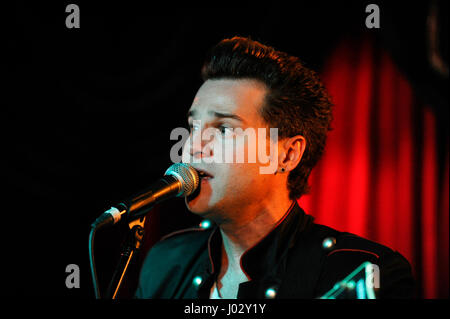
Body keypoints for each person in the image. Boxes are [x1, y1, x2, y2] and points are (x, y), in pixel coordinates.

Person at [135, 36, 414, 299]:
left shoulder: (368, 270)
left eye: (223, 129)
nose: (193, 146)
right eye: (193, 127)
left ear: (286, 154)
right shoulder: (165, 261)